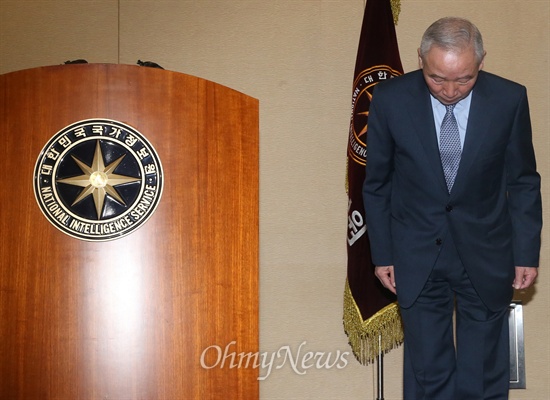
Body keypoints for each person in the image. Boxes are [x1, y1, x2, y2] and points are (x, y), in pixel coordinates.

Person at [362, 17, 542, 399]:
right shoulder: (390, 99)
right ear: (420, 60)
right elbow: (377, 184)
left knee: (482, 369)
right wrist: (383, 254)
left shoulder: (509, 99)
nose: (449, 90)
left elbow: (523, 180)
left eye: (463, 79)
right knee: (428, 369)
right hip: (416, 251)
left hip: (487, 249)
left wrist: (526, 253)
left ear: (481, 61)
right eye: (437, 78)